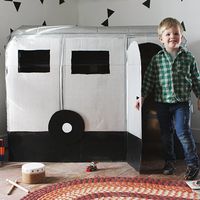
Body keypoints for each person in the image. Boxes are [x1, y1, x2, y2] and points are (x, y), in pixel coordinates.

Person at [135, 17, 200, 180]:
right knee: (165, 133)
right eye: (168, 34)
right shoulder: (157, 59)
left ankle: (193, 164)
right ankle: (169, 162)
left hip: (181, 104)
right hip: (162, 103)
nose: (173, 36)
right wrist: (141, 97)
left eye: (176, 33)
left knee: (183, 132)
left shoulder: (188, 58)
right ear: (161, 39)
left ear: (181, 36)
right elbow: (149, 80)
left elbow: (196, 79)